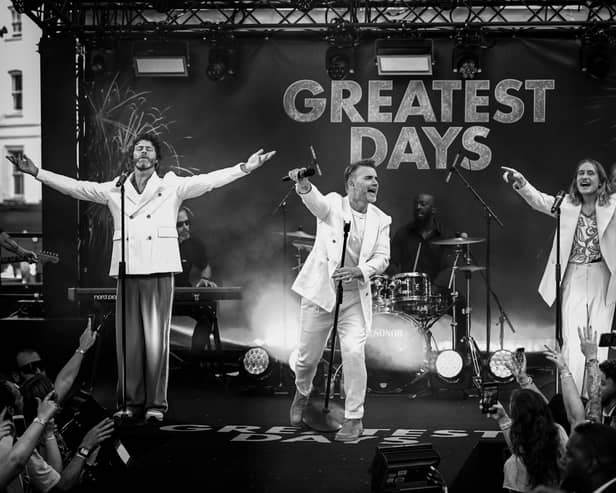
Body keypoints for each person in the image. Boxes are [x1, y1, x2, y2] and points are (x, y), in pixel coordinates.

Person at [6, 134, 275, 422]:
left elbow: (208, 181)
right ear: (132, 156)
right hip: (127, 268)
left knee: (156, 341)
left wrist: (244, 168)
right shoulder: (116, 187)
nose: (143, 152)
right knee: (128, 341)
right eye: (138, 148)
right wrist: (36, 173)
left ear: (156, 158)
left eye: (148, 149)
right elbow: (78, 188)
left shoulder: (171, 185)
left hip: (159, 268)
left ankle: (155, 405)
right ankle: (130, 403)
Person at [287, 159, 391, 442]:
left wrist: (360, 271)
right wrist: (303, 184)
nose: (375, 182)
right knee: (307, 358)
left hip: (354, 298)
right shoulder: (333, 204)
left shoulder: (382, 219)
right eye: (368, 178)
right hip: (321, 293)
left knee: (354, 354)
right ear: (351, 184)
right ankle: (302, 392)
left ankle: (354, 418)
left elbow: (383, 258)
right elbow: (314, 201)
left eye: (376, 178)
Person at [502, 160, 615, 391]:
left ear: (601, 181)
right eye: (580, 173)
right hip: (572, 274)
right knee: (572, 340)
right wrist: (522, 184)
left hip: (602, 274)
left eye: (590, 173)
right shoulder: (567, 205)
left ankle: (596, 395)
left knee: (598, 337)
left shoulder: (612, 205)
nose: (584, 177)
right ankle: (573, 396)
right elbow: (540, 201)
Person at [388, 193, 467, 351]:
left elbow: (449, 266)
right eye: (416, 204)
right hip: (406, 291)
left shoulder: (444, 235)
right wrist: (397, 282)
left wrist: (437, 285)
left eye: (423, 204)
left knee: (461, 304)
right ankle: (393, 353)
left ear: (433, 210)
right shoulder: (402, 234)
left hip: (435, 290)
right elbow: (390, 262)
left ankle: (460, 352)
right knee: (384, 310)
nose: (418, 207)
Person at [486, 389, 567, 492]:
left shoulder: (512, 466)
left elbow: (516, 449)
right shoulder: (557, 431)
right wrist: (502, 419)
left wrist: (503, 419)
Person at [174, 205, 219, 359]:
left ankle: (194, 361)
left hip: (184, 294)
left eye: (187, 223)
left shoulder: (194, 244)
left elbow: (205, 267)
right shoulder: (161, 244)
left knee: (207, 315)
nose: (185, 227)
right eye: (179, 225)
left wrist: (205, 279)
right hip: (161, 295)